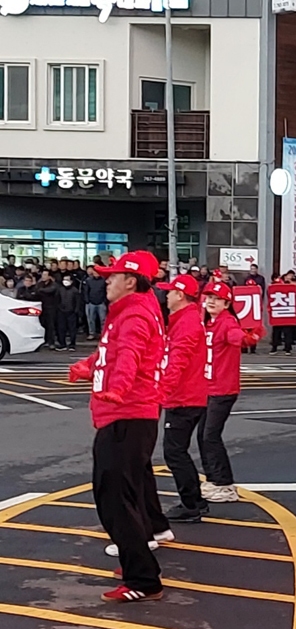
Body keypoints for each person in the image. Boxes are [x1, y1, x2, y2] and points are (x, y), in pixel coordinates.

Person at [67, 251, 168, 603]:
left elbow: (129, 355)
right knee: (125, 494)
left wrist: (119, 388)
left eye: (113, 275)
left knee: (113, 498)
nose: (106, 280)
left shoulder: (135, 314)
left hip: (126, 414)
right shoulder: (130, 311)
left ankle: (143, 578)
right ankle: (136, 565)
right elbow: (111, 353)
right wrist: (87, 366)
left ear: (131, 281)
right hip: (128, 414)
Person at [200, 282, 262, 502]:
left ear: (227, 303)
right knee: (203, 435)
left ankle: (224, 483)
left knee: (210, 435)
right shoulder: (209, 322)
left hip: (222, 388)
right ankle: (213, 479)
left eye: (216, 298)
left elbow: (238, 338)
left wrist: (251, 336)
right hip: (208, 387)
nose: (211, 301)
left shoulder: (226, 322)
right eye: (208, 297)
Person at [157, 275, 211, 522]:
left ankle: (191, 503)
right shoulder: (185, 319)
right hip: (185, 395)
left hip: (185, 397)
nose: (166, 296)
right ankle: (195, 501)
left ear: (180, 295)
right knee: (177, 450)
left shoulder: (187, 322)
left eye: (170, 292)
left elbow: (179, 359)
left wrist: (163, 389)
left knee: (174, 451)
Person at [55, 273, 83, 351]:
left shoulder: (75, 290)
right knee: (61, 328)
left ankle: (72, 344)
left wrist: (76, 311)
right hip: (61, 311)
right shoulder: (60, 289)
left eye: (67, 280)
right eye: (64, 279)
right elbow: (57, 299)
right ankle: (62, 344)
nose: (65, 281)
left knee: (72, 329)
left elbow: (78, 302)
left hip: (71, 312)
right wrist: (59, 308)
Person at [36, 270, 59, 349]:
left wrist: (41, 291)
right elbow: (37, 291)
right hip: (41, 306)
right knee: (43, 324)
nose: (43, 276)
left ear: (49, 276)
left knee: (50, 325)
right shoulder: (40, 284)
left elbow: (50, 290)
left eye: (45, 275)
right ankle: (44, 341)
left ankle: (51, 342)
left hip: (51, 307)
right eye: (43, 274)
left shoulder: (54, 285)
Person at [84, 266, 108, 340]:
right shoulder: (88, 280)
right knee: (91, 320)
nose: (96, 273)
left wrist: (104, 300)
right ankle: (92, 333)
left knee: (103, 320)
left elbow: (106, 291)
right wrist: (87, 300)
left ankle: (103, 333)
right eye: (95, 272)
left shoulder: (104, 281)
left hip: (101, 302)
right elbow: (86, 291)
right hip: (91, 302)